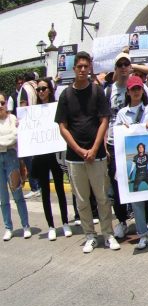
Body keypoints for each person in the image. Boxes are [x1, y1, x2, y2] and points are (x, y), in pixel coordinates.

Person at [54, 52, 117, 253]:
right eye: (79, 66)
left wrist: (94, 148)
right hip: (75, 157)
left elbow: (104, 121)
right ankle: (90, 235)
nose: (82, 70)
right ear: (74, 69)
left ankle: (108, 234)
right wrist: (80, 150)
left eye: (85, 66)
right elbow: (63, 127)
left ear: (90, 68)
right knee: (82, 200)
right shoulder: (66, 95)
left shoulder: (97, 92)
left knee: (102, 198)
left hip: (96, 156)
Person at [105, 52, 148, 239]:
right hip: (114, 142)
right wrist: (104, 142)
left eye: (126, 64)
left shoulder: (139, 84)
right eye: (120, 64)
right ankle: (122, 220)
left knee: (145, 179)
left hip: (140, 140)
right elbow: (104, 118)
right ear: (115, 68)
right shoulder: (109, 90)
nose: (123, 67)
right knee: (118, 183)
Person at [115, 75, 148, 249]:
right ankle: (142, 234)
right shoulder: (122, 114)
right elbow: (115, 138)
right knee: (136, 201)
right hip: (134, 167)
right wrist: (120, 130)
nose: (136, 91)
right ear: (128, 92)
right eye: (133, 89)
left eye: (139, 88)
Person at [30, 78, 71, 240]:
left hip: (55, 154)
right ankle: (51, 226)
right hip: (40, 155)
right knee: (45, 191)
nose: (41, 92)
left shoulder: (56, 107)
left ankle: (65, 222)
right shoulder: (32, 111)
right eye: (38, 89)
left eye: (44, 88)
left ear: (50, 90)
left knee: (60, 188)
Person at [0, 92, 31, 240]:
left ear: (6, 103)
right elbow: (10, 138)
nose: (0, 106)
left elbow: (15, 137)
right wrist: (8, 140)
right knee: (3, 197)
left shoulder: (12, 119)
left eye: (2, 102)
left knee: (17, 192)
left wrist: (5, 140)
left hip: (11, 157)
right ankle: (8, 227)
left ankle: (25, 225)